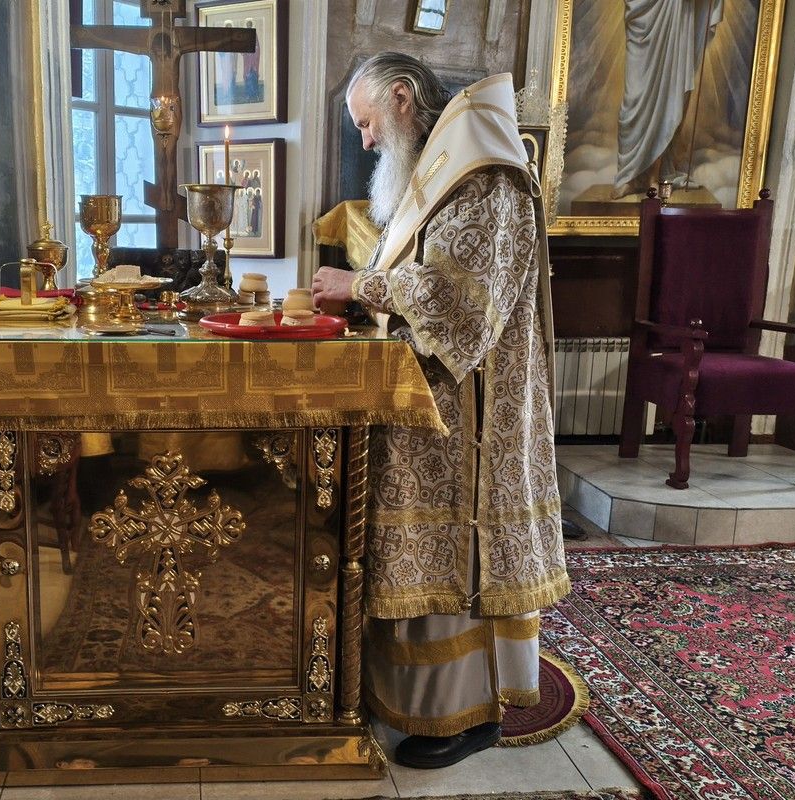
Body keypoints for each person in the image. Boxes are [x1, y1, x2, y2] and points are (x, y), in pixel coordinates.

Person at [311, 53, 568, 769]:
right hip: (431, 404)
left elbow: (462, 306)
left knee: (458, 560)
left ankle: (465, 712)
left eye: (368, 123)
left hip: (470, 416)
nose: (366, 141)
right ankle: (415, 699)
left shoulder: (484, 173)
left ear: (402, 98)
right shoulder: (443, 167)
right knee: (423, 555)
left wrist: (362, 287)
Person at [613, 0, 724, 197]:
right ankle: (628, 176)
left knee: (670, 95)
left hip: (676, 15)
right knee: (634, 100)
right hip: (642, 17)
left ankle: (655, 175)